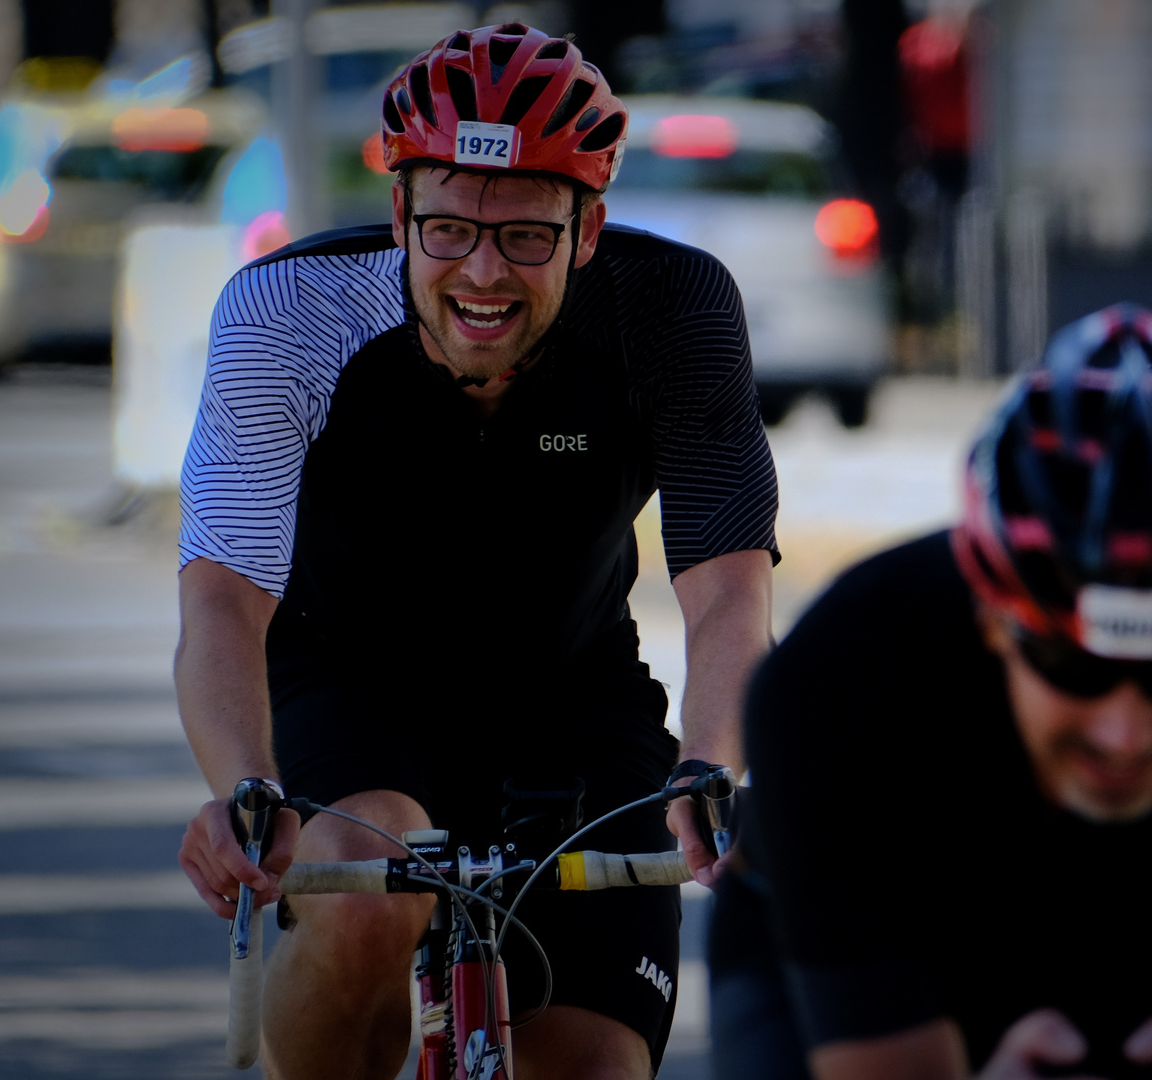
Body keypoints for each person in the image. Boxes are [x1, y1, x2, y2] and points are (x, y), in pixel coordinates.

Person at [173, 23, 778, 1080]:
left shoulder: (673, 312)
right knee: (363, 889)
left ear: (588, 229)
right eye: (448, 229)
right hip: (347, 686)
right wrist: (246, 787)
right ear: (399, 214)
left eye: (529, 237)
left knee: (590, 1067)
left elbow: (728, 586)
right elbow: (224, 593)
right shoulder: (289, 313)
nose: (483, 273)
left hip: (570, 691)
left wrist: (709, 764)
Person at [707, 305, 1152, 1080]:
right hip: (882, 940)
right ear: (992, 622)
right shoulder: (836, 682)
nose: (1124, 729)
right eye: (1075, 671)